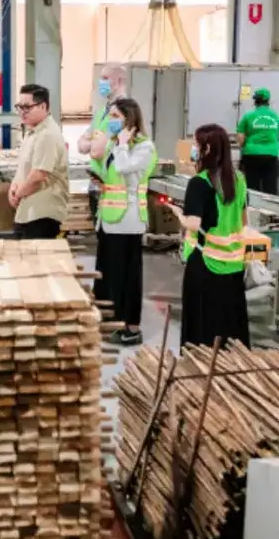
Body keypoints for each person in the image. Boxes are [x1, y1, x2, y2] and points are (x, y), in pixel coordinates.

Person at [168, 124, 250, 348]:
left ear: (205, 150)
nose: (193, 149)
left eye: (196, 145)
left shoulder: (200, 182)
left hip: (206, 264)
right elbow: (244, 221)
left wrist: (178, 213)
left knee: (203, 325)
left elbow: (193, 223)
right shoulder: (239, 179)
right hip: (233, 265)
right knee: (230, 324)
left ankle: (200, 367)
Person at [93, 98, 157, 347]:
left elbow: (124, 168)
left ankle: (130, 326)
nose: (111, 120)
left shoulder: (144, 147)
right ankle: (110, 320)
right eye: (110, 115)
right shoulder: (114, 143)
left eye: (116, 116)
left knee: (126, 276)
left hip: (128, 221)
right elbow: (107, 169)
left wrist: (120, 145)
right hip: (108, 219)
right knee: (108, 275)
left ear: (129, 119)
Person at [10, 84, 70, 240]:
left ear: (43, 106)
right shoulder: (32, 131)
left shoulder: (47, 135)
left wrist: (18, 194)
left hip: (41, 214)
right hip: (29, 210)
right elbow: (25, 166)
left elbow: (39, 175)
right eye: (19, 107)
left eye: (27, 107)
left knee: (36, 262)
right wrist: (14, 186)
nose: (22, 112)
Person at [79, 62, 128, 219]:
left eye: (105, 78)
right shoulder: (102, 111)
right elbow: (81, 145)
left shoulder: (124, 111)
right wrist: (94, 143)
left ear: (119, 81)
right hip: (97, 183)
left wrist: (92, 144)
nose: (101, 82)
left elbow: (96, 152)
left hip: (113, 187)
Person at [236, 88, 279, 194]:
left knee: (252, 186)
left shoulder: (248, 116)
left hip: (251, 154)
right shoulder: (276, 117)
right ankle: (269, 209)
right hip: (271, 154)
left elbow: (240, 139)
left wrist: (245, 147)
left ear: (255, 101)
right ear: (268, 101)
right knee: (270, 187)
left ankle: (253, 208)